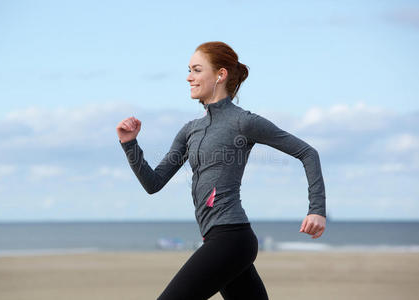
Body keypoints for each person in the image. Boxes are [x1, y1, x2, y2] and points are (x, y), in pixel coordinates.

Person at [116, 41, 326, 300]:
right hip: (217, 239)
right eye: (189, 70)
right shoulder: (190, 130)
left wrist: (316, 209)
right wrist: (130, 144)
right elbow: (154, 183)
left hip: (232, 239)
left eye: (196, 70)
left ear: (220, 75)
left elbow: (308, 153)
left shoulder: (243, 121)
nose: (188, 77)